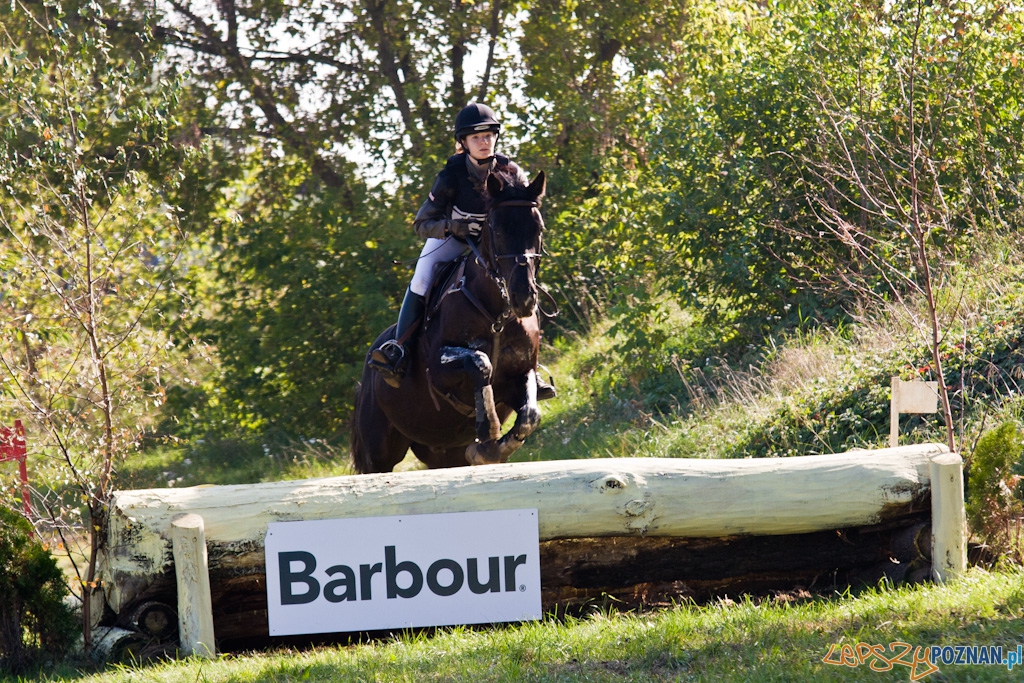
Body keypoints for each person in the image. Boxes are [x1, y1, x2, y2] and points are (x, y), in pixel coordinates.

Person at [367, 102, 555, 400]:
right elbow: (421, 223)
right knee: (421, 278)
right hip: (451, 240)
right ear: (464, 143)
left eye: (488, 136)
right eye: (475, 138)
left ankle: (531, 365)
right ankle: (398, 350)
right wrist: (451, 227)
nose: (483, 142)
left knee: (523, 281)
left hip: (497, 248)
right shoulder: (451, 176)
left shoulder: (511, 172)